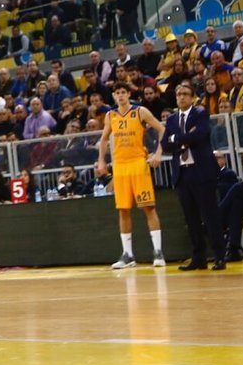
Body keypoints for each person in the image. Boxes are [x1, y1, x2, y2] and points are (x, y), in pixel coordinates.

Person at [95, 82, 166, 268]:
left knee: (148, 207)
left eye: (123, 92)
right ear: (113, 96)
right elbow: (103, 140)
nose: (120, 96)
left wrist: (158, 153)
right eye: (117, 93)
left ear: (128, 94)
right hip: (119, 166)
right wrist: (102, 160)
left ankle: (158, 251)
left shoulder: (140, 111)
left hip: (138, 164)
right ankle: (128, 255)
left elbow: (162, 129)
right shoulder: (110, 115)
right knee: (123, 210)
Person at [163, 83, 225, 270]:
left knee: (210, 216)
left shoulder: (200, 113)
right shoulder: (172, 119)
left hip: (202, 171)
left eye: (185, 94)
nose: (181, 97)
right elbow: (165, 144)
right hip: (182, 173)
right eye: (178, 94)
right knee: (191, 219)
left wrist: (177, 139)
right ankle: (198, 257)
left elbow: (199, 135)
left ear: (192, 97)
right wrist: (182, 139)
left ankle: (219, 256)